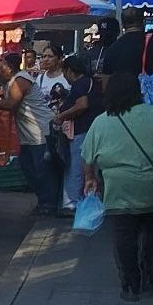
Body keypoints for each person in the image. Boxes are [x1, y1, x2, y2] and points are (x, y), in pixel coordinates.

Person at [81, 73, 153, 301]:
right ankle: (152, 276)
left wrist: (91, 179)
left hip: (118, 189)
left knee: (124, 237)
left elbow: (88, 158)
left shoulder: (101, 121)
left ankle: (130, 283)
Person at [0, 51, 60, 215]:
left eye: (1, 64)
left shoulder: (21, 80)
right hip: (29, 135)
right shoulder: (7, 79)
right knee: (29, 168)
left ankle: (49, 205)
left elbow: (11, 104)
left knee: (42, 170)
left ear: (10, 68)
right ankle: (44, 203)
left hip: (42, 132)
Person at [53, 54, 100, 213]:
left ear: (69, 71)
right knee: (88, 168)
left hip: (82, 131)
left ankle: (71, 203)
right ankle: (86, 201)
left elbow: (82, 105)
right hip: (91, 130)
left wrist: (61, 116)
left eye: (64, 73)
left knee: (76, 167)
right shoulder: (91, 83)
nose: (64, 77)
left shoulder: (80, 84)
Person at [98, 6, 153, 103]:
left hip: (123, 102)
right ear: (143, 21)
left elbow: (105, 85)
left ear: (123, 24)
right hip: (148, 101)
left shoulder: (113, 48)